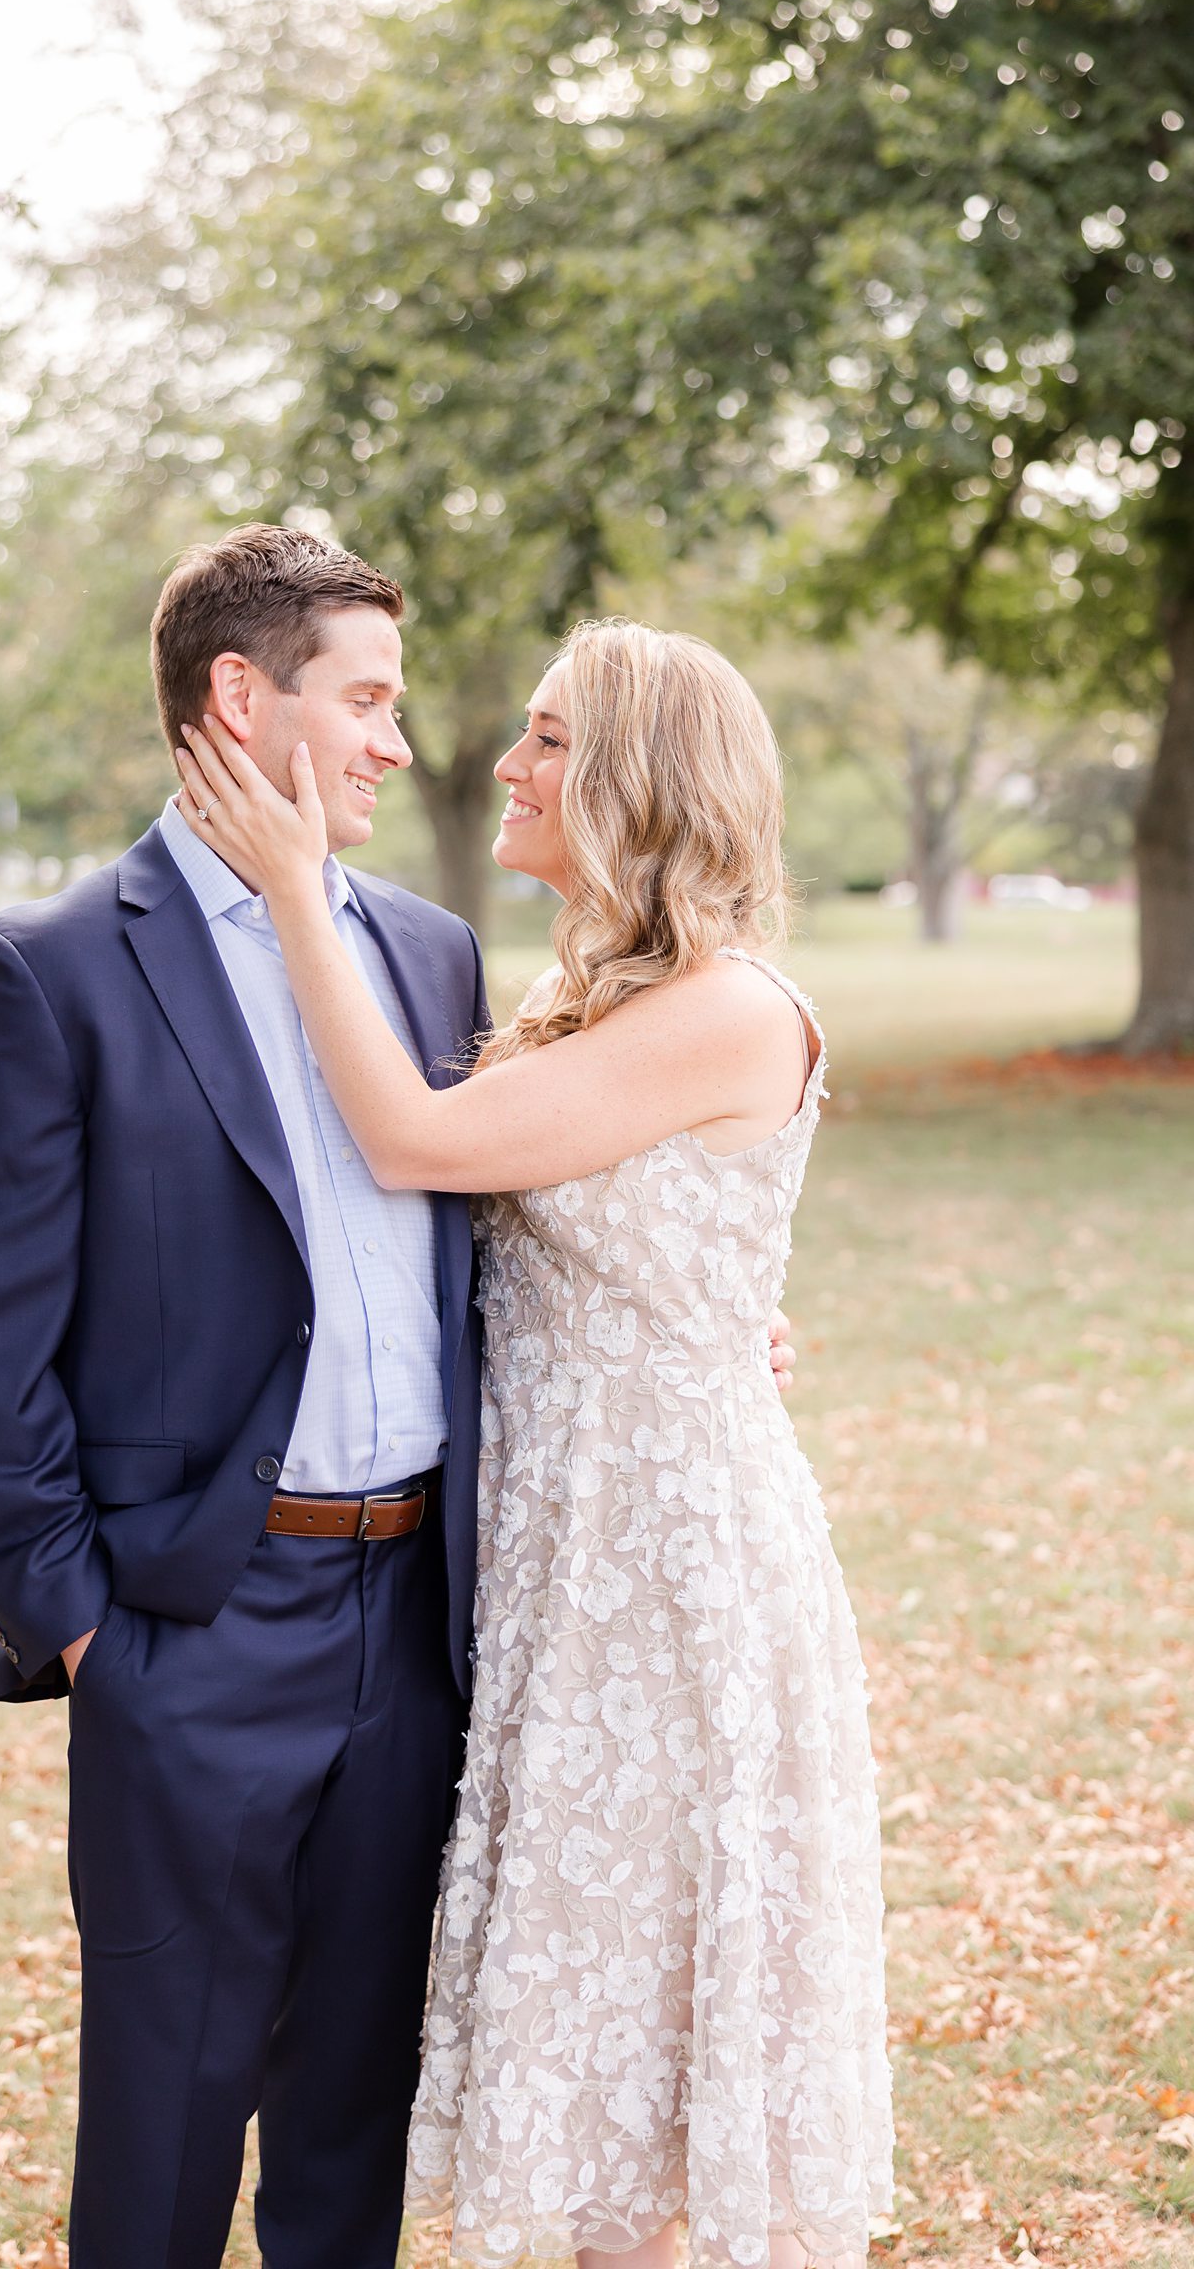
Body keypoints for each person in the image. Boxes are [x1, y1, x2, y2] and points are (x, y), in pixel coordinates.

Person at [0, 527, 794, 2269]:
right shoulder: (51, 971)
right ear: (243, 698)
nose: (400, 743)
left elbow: (539, 1218)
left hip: (434, 1624)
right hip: (191, 1633)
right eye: (368, 699)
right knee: (161, 2137)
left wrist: (725, 1331)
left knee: (352, 2139)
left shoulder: (433, 953)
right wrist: (86, 1634)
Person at [171, 615, 893, 2269]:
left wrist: (290, 887)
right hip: (562, 1569)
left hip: (669, 1583)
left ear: (641, 778)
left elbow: (417, 1141)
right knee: (596, 2067)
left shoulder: (727, 1009)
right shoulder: (578, 999)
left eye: (551, 739)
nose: (504, 761)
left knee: (648, 2069)